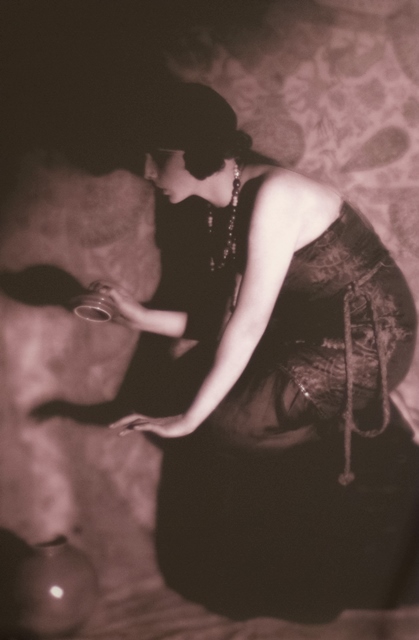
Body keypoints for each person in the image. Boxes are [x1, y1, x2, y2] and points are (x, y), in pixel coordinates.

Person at [89, 82, 418, 621]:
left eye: (156, 156)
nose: (145, 172)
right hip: (305, 332)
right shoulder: (231, 201)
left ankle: (333, 534)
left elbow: (248, 326)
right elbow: (232, 320)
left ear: (195, 153)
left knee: (230, 424)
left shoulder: (275, 196)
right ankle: (291, 551)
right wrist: (141, 316)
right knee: (214, 407)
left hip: (371, 340)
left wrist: (189, 419)